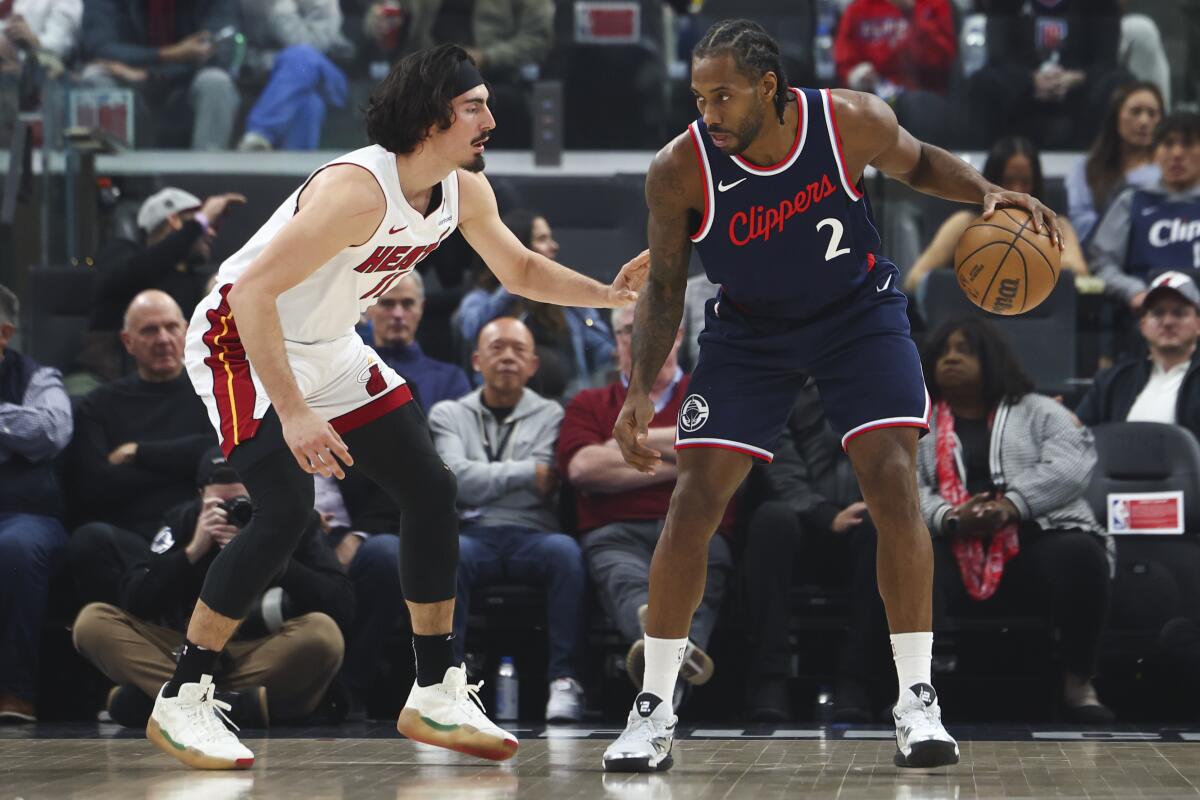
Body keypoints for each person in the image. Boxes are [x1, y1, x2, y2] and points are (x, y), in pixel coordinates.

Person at [153, 43, 646, 770]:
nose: (491, 118)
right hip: (240, 338)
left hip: (328, 342)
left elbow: (520, 269)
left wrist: (611, 294)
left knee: (430, 488)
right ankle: (183, 695)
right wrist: (292, 411)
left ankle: (435, 687)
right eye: (474, 106)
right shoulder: (354, 189)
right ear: (430, 118)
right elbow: (254, 296)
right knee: (287, 510)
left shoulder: (465, 189)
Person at [604, 18, 1065, 773]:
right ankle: (653, 707)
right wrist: (635, 394)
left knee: (891, 480)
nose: (708, 112)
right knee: (693, 499)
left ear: (769, 89)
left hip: (858, 313)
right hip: (750, 329)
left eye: (723, 96)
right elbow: (661, 285)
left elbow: (918, 163)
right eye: (698, 96)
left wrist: (985, 190)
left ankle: (917, 701)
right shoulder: (679, 167)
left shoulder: (849, 120)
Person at [907, 317, 1113, 722]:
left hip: (1030, 542)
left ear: (992, 359)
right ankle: (914, 693)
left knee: (1082, 554)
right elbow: (902, 482)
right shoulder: (916, 421)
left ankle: (1078, 683)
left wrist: (1010, 506)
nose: (951, 359)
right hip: (948, 543)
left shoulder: (1038, 410)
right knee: (898, 555)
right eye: (944, 351)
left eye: (964, 350)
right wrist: (949, 517)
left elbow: (1073, 464)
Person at [72, 450, 351, 729]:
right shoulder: (183, 520)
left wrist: (272, 557)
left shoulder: (293, 520)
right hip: (185, 652)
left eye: (242, 504)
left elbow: (341, 603)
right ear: (201, 495)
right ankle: (238, 706)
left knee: (322, 633)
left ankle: (168, 700)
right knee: (92, 622)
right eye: (221, 504)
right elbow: (135, 599)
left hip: (257, 651)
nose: (231, 512)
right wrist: (191, 552)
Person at [558, 304, 733, 705]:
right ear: (616, 342)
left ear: (676, 337)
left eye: (653, 329)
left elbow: (727, 460)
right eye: (626, 332)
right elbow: (583, 468)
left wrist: (625, 446)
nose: (638, 341)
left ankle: (659, 680)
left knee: (700, 575)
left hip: (697, 525)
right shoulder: (589, 403)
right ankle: (674, 677)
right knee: (624, 579)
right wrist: (686, 460)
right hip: (614, 532)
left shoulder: (707, 393)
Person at [428, 317, 587, 722]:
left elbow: (547, 478)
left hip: (533, 534)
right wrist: (523, 474)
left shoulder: (552, 413)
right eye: (498, 348)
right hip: (473, 533)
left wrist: (482, 476)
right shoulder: (448, 414)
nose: (508, 358)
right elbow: (455, 482)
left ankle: (563, 680)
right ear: (477, 361)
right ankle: (447, 685)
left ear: (534, 365)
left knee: (566, 553)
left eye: (519, 350)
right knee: (448, 557)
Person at [67, 291, 216, 605]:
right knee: (88, 540)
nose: (163, 339)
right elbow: (94, 487)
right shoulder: (98, 406)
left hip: (197, 532)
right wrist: (184, 468)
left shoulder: (211, 395)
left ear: (187, 330)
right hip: (129, 539)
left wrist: (139, 453)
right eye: (149, 330)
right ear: (127, 341)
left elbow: (217, 457)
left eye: (171, 327)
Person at [81, 188, 245, 387]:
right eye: (205, 224)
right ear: (173, 221)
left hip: (174, 387)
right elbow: (140, 270)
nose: (209, 232)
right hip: (103, 383)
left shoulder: (196, 279)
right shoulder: (120, 256)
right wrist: (198, 223)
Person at [0, 283, 73, 722]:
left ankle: (14, 691)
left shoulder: (37, 377)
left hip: (25, 517)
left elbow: (50, 429)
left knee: (16, 549)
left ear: (4, 334)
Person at [903, 136, 1089, 303]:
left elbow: (1080, 274)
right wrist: (975, 278)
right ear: (992, 179)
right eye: (1008, 180)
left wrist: (1032, 257)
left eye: (1026, 181)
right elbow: (915, 279)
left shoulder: (1057, 226)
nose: (1018, 189)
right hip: (973, 327)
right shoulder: (965, 223)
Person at [459, 209, 615, 397]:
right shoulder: (479, 300)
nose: (554, 246)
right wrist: (517, 280)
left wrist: (620, 352)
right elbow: (469, 330)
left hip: (567, 403)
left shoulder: (569, 299)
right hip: (505, 401)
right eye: (542, 239)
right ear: (518, 247)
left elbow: (601, 348)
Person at [967, 0, 1129, 151]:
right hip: (1023, 91)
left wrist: (1078, 77)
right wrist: (1030, 79)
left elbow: (1106, 60)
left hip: (1080, 89)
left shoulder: (1101, 4)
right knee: (982, 83)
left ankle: (1106, 165)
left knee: (1119, 83)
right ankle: (982, 170)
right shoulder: (1005, 4)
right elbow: (999, 57)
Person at [80, 0, 240, 150]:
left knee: (216, 82)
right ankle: (105, 176)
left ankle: (207, 175)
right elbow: (99, 47)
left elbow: (221, 51)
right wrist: (170, 54)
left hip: (185, 84)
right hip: (127, 83)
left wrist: (153, 74)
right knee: (97, 81)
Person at [1088, 110, 1200, 311]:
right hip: (1144, 317)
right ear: (1154, 153)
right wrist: (1134, 291)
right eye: (1168, 144)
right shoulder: (1132, 201)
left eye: (1188, 144)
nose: (1176, 153)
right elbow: (1102, 262)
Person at [1077, 271, 1200, 437]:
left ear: (1198, 324)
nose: (1167, 322)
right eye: (1158, 313)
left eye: (1178, 313)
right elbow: (1079, 436)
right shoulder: (1113, 381)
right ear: (1143, 325)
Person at [833, 0, 957, 146]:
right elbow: (845, 63)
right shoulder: (858, 9)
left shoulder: (934, 5)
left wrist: (911, 12)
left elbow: (941, 59)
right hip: (872, 96)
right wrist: (857, 76)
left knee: (919, 107)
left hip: (921, 96)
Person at [236, 0, 356, 152]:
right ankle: (291, 173)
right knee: (310, 103)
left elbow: (311, 46)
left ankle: (261, 131)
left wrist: (282, 7)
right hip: (286, 83)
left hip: (330, 76)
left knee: (300, 55)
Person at [1066, 81, 1164, 242]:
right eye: (1135, 112)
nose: (1144, 121)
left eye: (1152, 114)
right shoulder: (1085, 168)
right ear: (1116, 116)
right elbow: (1079, 224)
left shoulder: (1169, 170)